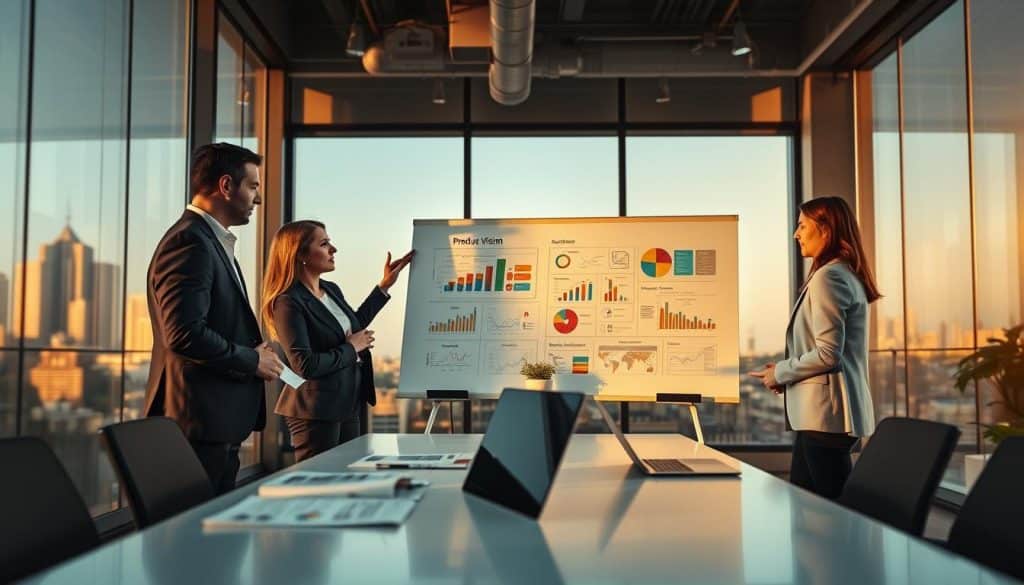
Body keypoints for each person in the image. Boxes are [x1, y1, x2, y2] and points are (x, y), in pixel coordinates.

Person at [145, 143, 284, 495]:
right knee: (194, 538)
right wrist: (252, 360)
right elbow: (184, 333)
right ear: (226, 186)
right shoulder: (190, 242)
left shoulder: (208, 241)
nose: (258, 199)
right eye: (252, 187)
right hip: (199, 425)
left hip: (213, 424)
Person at [748, 196, 880, 499]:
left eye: (802, 225)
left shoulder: (829, 276)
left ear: (826, 229)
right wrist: (785, 374)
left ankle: (850, 549)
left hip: (824, 417)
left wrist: (782, 372)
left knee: (828, 514)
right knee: (809, 509)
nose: (796, 234)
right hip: (822, 416)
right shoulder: (843, 274)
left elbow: (827, 353)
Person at [261, 220, 413, 461]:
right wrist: (352, 348)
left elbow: (353, 325)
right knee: (319, 481)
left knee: (348, 474)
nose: (334, 249)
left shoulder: (331, 289)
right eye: (324, 244)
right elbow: (305, 365)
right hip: (315, 409)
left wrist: (383, 287)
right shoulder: (288, 302)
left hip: (347, 401)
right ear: (300, 254)